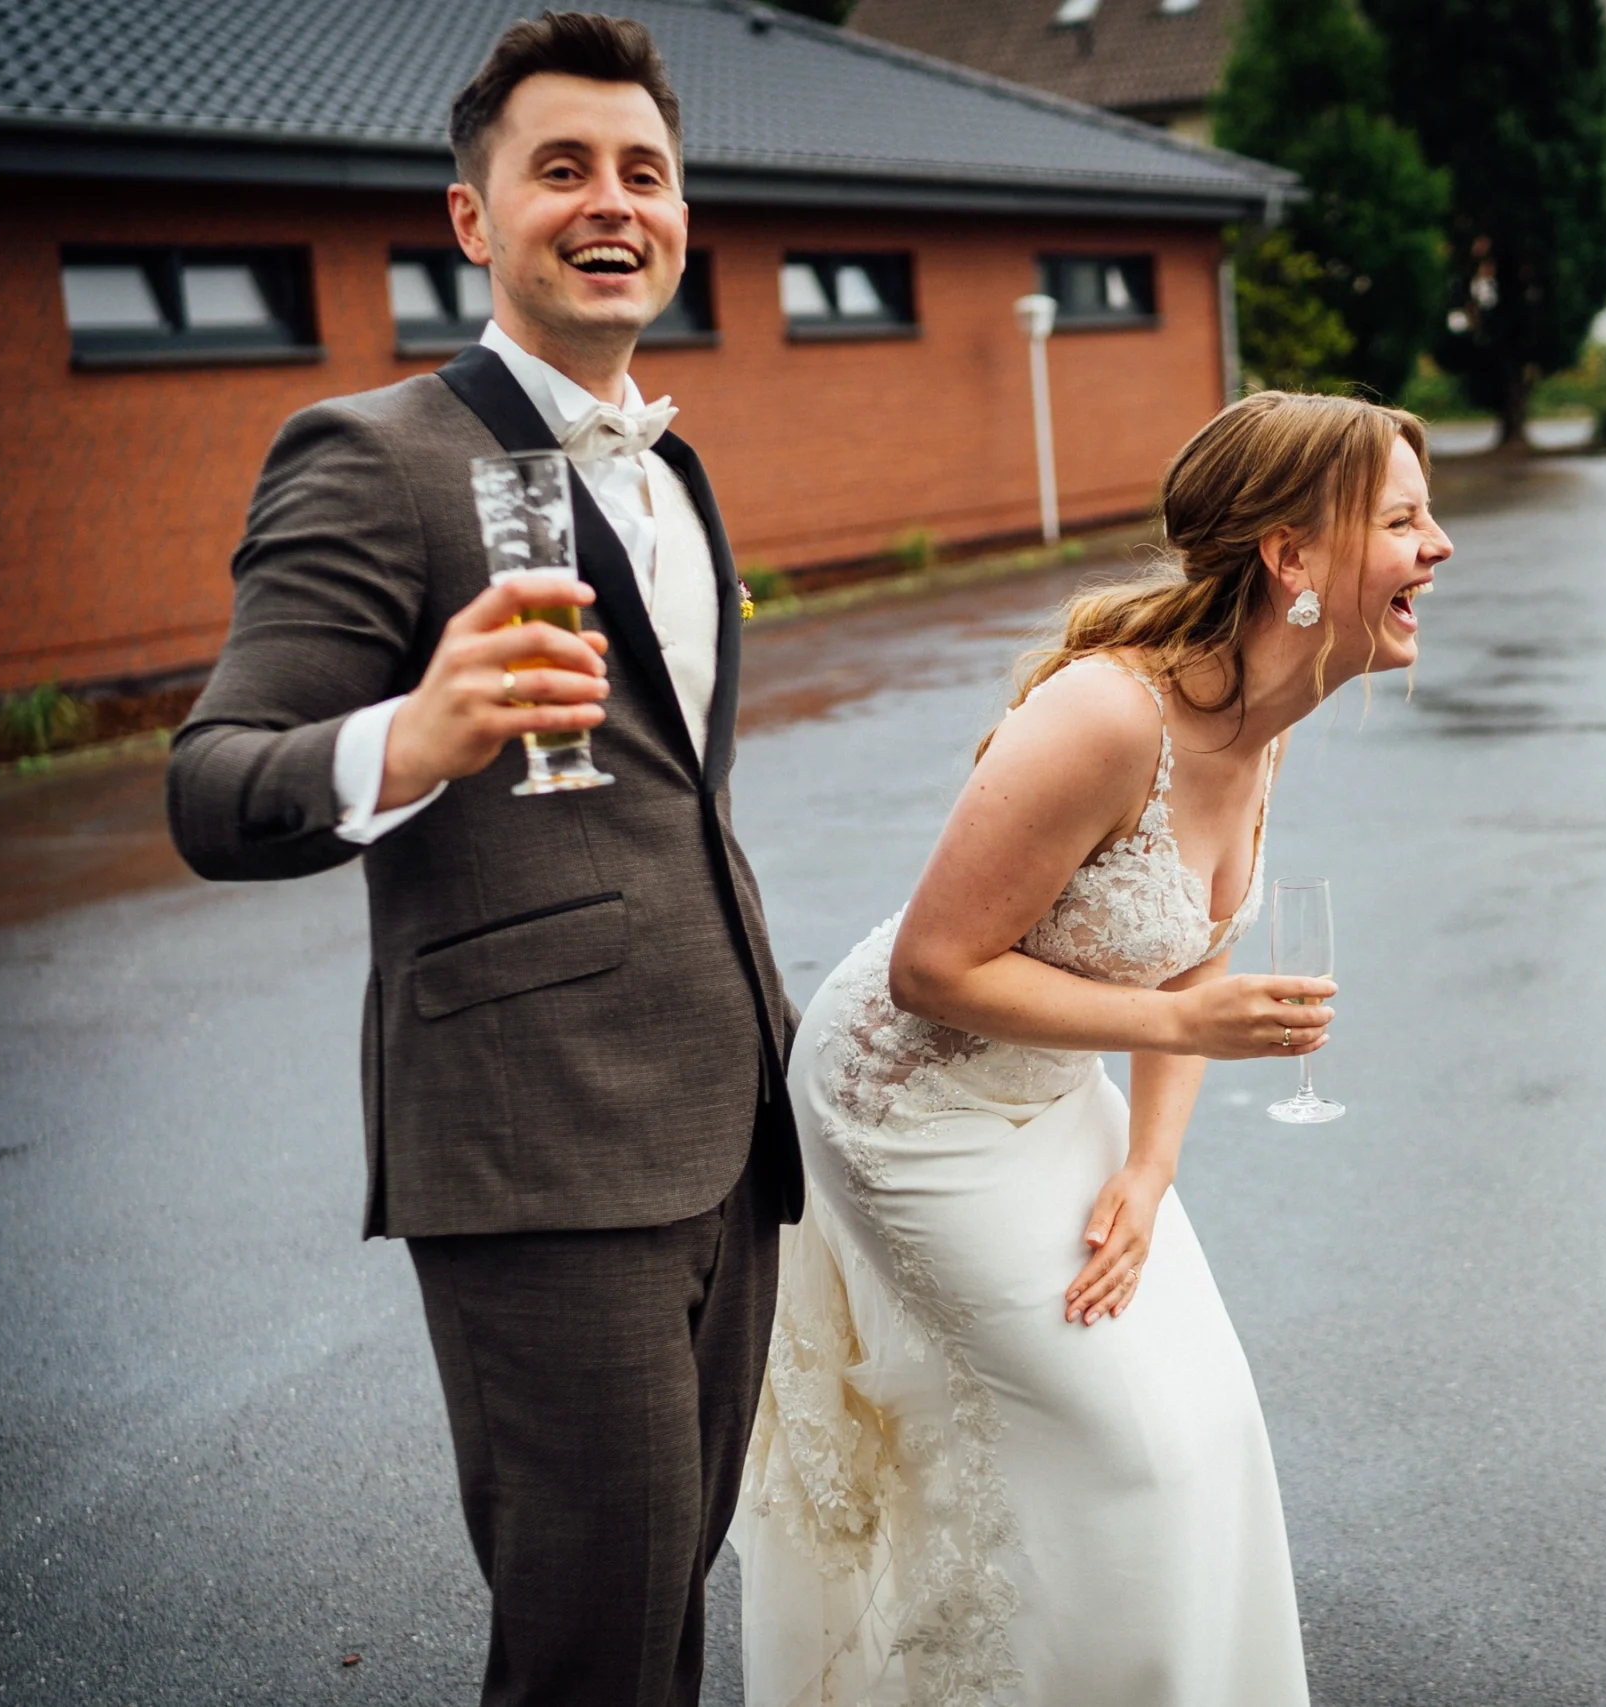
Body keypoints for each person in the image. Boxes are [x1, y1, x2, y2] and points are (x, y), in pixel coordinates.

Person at [165, 15, 801, 1705]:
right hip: (534, 1149)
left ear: (682, 215)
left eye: (645, 172)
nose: (613, 203)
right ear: (473, 218)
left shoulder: (671, 465)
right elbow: (213, 789)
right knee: (586, 1651)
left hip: (731, 1129)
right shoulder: (368, 457)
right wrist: (416, 736)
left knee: (671, 1614)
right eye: (563, 170)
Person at [730, 390, 1452, 1706]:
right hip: (903, 1100)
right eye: (1403, 520)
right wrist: (1180, 1026)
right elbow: (933, 967)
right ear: (1292, 557)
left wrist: (1152, 1167)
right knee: (1125, 1448)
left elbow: (1195, 950)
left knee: (1210, 1419)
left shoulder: (1263, 721)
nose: (1439, 545)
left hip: (1051, 1087)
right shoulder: (1110, 716)